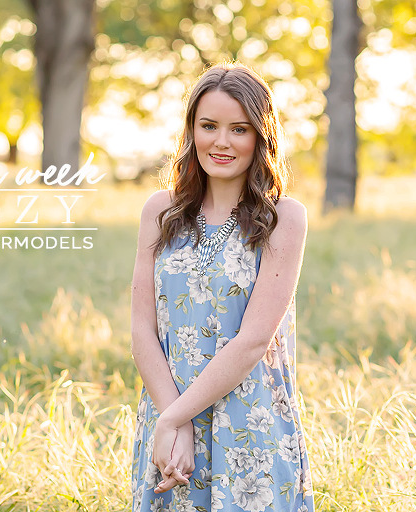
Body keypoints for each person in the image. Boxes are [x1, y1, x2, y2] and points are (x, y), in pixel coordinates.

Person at [130, 61, 314, 512]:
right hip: (169, 423)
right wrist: (174, 422)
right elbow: (142, 331)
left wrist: (177, 417)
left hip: (249, 426)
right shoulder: (161, 211)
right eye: (209, 125)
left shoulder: (282, 219)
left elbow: (253, 341)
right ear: (192, 131)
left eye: (240, 129)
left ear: (261, 136)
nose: (222, 142)